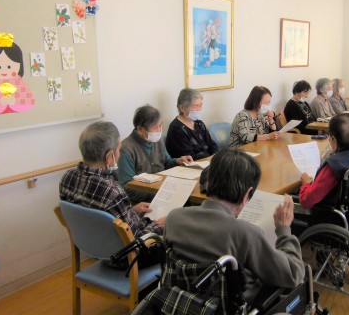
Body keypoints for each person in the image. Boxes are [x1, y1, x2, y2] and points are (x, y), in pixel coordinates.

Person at [164, 148, 305, 303]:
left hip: (179, 301)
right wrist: (284, 230)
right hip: (230, 306)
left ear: (208, 183)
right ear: (247, 194)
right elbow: (293, 274)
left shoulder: (173, 218)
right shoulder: (246, 233)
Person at [60, 121, 163, 238]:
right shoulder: (113, 193)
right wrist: (158, 225)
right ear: (110, 156)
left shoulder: (67, 178)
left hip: (87, 240)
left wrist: (131, 210)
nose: (119, 154)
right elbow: (136, 238)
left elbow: (98, 215)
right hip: (122, 247)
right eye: (119, 150)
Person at [299, 113, 349, 208]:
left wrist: (306, 184)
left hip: (333, 212)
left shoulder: (334, 165)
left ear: (333, 139)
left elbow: (307, 200)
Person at [118, 105, 193, 203]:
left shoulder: (158, 140)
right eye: (154, 127)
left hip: (164, 192)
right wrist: (158, 193)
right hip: (144, 201)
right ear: (140, 129)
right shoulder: (126, 149)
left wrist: (178, 161)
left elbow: (166, 163)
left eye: (160, 125)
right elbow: (127, 187)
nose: (159, 130)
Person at [0, 32, 35, 115]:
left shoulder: (17, 81)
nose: (4, 71)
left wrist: (13, 100)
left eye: (9, 67)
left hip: (17, 106)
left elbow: (24, 95)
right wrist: (1, 101)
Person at [165, 88, 218, 160]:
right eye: (196, 106)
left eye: (200, 105)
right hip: (192, 164)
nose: (199, 109)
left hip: (208, 161)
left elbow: (212, 145)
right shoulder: (176, 128)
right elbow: (189, 158)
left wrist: (216, 157)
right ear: (182, 108)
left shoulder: (199, 123)